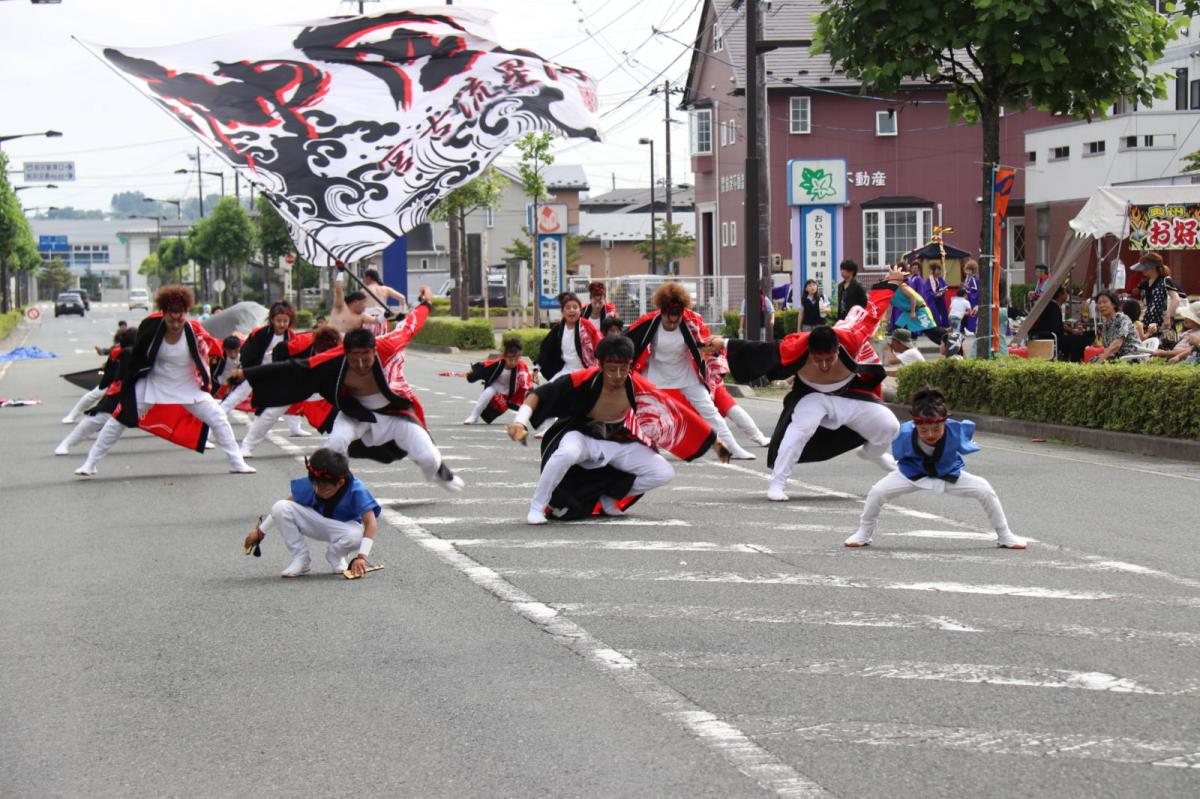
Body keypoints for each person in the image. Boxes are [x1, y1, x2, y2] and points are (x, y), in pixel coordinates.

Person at [240, 288, 463, 491]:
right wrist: (247, 374)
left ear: (374, 351)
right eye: (354, 360)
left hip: (394, 415)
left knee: (430, 458)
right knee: (333, 444)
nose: (360, 365)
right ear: (344, 354)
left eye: (366, 359)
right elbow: (295, 366)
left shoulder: (389, 344)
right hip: (354, 413)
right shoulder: (332, 355)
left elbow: (412, 323)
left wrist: (426, 304)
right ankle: (316, 491)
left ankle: (438, 472)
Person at [727, 265, 909, 502]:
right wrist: (723, 344)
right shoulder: (797, 345)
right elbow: (758, 349)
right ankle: (777, 483)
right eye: (818, 359)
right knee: (799, 431)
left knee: (889, 425)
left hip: (849, 396)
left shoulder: (853, 339)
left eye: (829, 359)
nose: (824, 365)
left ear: (838, 349)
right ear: (810, 351)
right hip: (813, 398)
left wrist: (891, 283)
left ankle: (873, 453)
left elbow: (874, 311)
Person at [506, 335, 726, 524]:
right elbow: (540, 395)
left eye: (624, 369)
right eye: (612, 370)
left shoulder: (636, 384)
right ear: (600, 365)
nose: (618, 375)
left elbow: (677, 412)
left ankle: (609, 498)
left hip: (618, 440)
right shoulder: (583, 379)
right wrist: (520, 421)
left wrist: (714, 442)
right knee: (565, 453)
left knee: (663, 472)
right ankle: (537, 506)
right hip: (581, 435)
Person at [73, 285, 255, 476]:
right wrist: (128, 379)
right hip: (154, 383)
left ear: (186, 313)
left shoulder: (195, 331)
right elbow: (135, 356)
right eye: (171, 318)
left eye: (180, 318)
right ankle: (90, 463)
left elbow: (214, 351)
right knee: (118, 420)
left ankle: (237, 462)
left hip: (188, 386)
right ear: (163, 313)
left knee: (218, 418)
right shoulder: (151, 327)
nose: (176, 324)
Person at [844, 386, 1026, 549]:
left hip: (947, 473)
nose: (930, 434)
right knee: (877, 492)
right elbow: (900, 459)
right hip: (912, 474)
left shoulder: (957, 430)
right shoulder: (903, 433)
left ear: (945, 423)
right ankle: (864, 533)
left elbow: (966, 446)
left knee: (985, 489)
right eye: (923, 430)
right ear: (915, 425)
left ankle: (1004, 535)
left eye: (936, 429)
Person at [626, 282, 757, 460]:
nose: (672, 323)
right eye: (668, 319)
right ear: (661, 312)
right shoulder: (648, 323)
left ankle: (732, 448)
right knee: (645, 414)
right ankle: (641, 449)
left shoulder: (692, 321)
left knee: (710, 411)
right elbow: (626, 342)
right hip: (655, 375)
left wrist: (714, 349)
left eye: (677, 319)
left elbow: (708, 343)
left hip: (685, 373)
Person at [242, 447, 381, 578]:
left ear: (340, 483)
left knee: (357, 535)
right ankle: (301, 559)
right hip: (314, 522)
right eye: (316, 486)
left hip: (342, 529)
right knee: (280, 506)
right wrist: (260, 531)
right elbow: (286, 506)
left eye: (325, 489)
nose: (319, 491)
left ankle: (335, 555)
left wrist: (362, 557)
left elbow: (371, 523)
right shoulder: (316, 482)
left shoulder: (357, 490)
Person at [238, 325, 342, 457]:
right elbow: (278, 351)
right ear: (315, 346)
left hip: (322, 382)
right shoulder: (300, 344)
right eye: (321, 352)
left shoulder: (340, 351)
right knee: (271, 412)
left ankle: (341, 442)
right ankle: (247, 446)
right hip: (295, 379)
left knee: (343, 407)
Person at [220, 301, 310, 438]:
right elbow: (247, 353)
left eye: (285, 321)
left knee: (293, 396)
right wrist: (247, 371)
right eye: (278, 320)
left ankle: (295, 427)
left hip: (277, 371)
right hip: (256, 370)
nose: (282, 324)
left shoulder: (291, 336)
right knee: (236, 396)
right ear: (272, 320)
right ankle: (212, 425)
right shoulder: (260, 333)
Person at [54, 328, 138, 455]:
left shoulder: (141, 350)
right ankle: (69, 440)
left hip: (141, 393)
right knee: (96, 416)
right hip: (118, 391)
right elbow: (110, 376)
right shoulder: (120, 352)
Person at [463, 336, 532, 425]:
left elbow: (527, 384)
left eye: (516, 359)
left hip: (512, 393)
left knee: (529, 402)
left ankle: (521, 420)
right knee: (487, 392)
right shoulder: (496, 364)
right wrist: (472, 373)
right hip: (496, 388)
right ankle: (473, 416)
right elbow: (481, 369)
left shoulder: (522, 366)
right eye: (510, 359)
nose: (513, 362)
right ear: (504, 356)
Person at [535, 292, 600, 382]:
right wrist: (536, 368)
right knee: (549, 391)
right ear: (562, 311)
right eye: (568, 308)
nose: (572, 310)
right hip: (566, 370)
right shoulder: (558, 328)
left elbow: (600, 343)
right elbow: (546, 349)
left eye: (575, 307)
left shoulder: (587, 326)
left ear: (580, 310)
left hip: (587, 370)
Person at [1028, 286, 1091, 362]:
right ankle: (1075, 362)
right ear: (1060, 295)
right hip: (1052, 338)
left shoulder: (1051, 305)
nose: (1067, 295)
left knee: (1076, 338)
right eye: (1065, 292)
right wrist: (1070, 331)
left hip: (1050, 336)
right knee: (1079, 339)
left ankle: (1070, 359)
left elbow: (1058, 324)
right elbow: (1057, 327)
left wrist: (1071, 331)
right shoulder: (1053, 307)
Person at [1133, 253, 1183, 346]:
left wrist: (1168, 317)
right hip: (1148, 322)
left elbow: (1176, 299)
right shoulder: (1145, 283)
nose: (1142, 270)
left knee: (1163, 346)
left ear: (1152, 267)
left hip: (1162, 322)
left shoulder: (1165, 280)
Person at [1090, 289, 1139, 362]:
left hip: (1131, 356)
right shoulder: (1105, 324)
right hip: (1118, 357)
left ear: (1113, 304)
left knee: (1099, 362)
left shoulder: (1122, 319)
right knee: (1092, 360)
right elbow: (1104, 346)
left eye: (1104, 302)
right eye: (1099, 303)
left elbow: (1117, 345)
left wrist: (1100, 361)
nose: (1101, 305)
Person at [362, 266, 407, 333]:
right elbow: (402, 298)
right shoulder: (386, 289)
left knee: (368, 342)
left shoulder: (363, 291)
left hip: (368, 321)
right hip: (382, 319)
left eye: (364, 278)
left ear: (368, 278)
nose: (363, 280)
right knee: (381, 342)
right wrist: (402, 313)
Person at [329, 266, 371, 334]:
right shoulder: (340, 307)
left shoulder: (363, 316)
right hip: (332, 337)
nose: (365, 306)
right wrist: (340, 272)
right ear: (356, 302)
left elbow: (376, 320)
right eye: (364, 302)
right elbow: (339, 290)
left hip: (347, 341)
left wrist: (384, 315)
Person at [920, 261, 950, 327]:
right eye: (937, 270)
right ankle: (936, 325)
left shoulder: (940, 279)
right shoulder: (929, 280)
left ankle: (944, 325)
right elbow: (927, 292)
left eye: (939, 269)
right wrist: (935, 295)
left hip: (940, 299)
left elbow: (945, 286)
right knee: (933, 311)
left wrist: (942, 291)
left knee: (943, 311)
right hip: (932, 300)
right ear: (933, 270)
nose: (939, 271)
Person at [961, 260, 981, 333]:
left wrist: (967, 288)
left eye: (968, 270)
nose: (967, 272)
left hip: (973, 301)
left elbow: (975, 290)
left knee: (973, 315)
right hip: (971, 300)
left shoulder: (974, 279)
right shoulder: (970, 279)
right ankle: (971, 329)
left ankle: (972, 329)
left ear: (973, 270)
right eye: (966, 270)